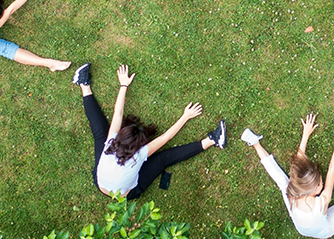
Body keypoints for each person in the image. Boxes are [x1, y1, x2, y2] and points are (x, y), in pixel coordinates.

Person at [73, 63, 226, 200]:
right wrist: (185, 116)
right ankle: (213, 140)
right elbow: (166, 137)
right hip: (128, 193)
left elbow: (118, 113)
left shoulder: (110, 142)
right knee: (163, 159)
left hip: (100, 183)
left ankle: (84, 85)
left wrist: (123, 85)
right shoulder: (139, 156)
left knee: (100, 134)